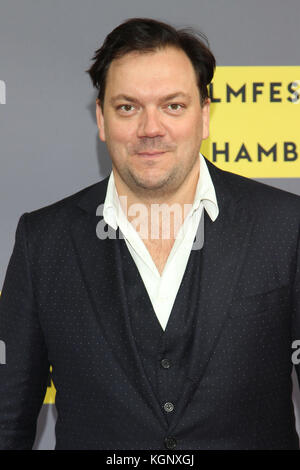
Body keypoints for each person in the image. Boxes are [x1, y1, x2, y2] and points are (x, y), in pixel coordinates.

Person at [0, 17, 300, 451]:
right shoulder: (42, 241)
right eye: (128, 107)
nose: (150, 129)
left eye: (173, 106)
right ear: (102, 120)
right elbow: (8, 417)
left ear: (205, 115)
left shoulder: (285, 226)